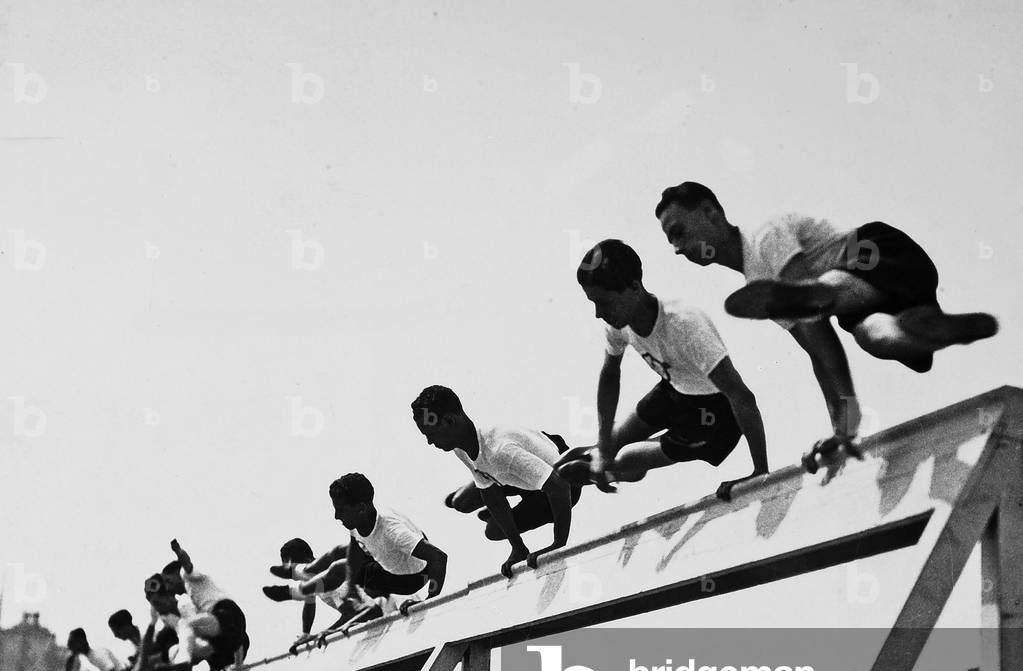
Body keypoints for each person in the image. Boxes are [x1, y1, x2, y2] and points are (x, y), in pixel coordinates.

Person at [654, 181, 998, 466]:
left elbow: (818, 332)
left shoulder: (764, 235)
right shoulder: (755, 283)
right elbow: (819, 355)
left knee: (820, 305)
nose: (677, 248)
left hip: (874, 251)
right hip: (885, 290)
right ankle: (930, 330)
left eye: (679, 232)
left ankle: (814, 295)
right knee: (872, 336)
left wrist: (848, 419)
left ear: (710, 212)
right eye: (670, 240)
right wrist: (842, 429)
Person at [558, 239, 769, 501]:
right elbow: (610, 375)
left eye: (604, 302)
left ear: (634, 288)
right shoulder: (617, 323)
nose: (599, 313)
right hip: (673, 389)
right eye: (594, 303)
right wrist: (603, 443)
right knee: (611, 443)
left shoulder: (685, 325)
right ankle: (597, 459)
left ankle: (614, 470)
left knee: (626, 459)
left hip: (714, 416)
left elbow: (742, 397)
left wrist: (760, 470)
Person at [411, 385, 582, 576]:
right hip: (517, 478)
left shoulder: (501, 451)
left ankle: (493, 484)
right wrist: (518, 548)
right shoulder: (460, 449)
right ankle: (480, 488)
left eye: (430, 434)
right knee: (468, 508)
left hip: (561, 481)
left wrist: (558, 545)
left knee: (493, 527)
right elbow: (490, 495)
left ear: (449, 421)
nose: (429, 442)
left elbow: (559, 486)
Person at [262, 536, 395, 671]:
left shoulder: (327, 578)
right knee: (339, 652)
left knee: (335, 654)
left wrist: (326, 632)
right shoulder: (313, 579)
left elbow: (354, 610)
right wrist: (306, 634)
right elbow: (309, 605)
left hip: (378, 614)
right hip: (369, 615)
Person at [146, 540, 249, 671]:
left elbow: (186, 563)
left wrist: (178, 551)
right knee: (174, 651)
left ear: (176, 575)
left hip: (228, 614)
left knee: (186, 625)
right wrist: (213, 669)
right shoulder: (194, 601)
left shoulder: (189, 577)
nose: (169, 588)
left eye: (169, 581)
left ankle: (184, 663)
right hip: (225, 642)